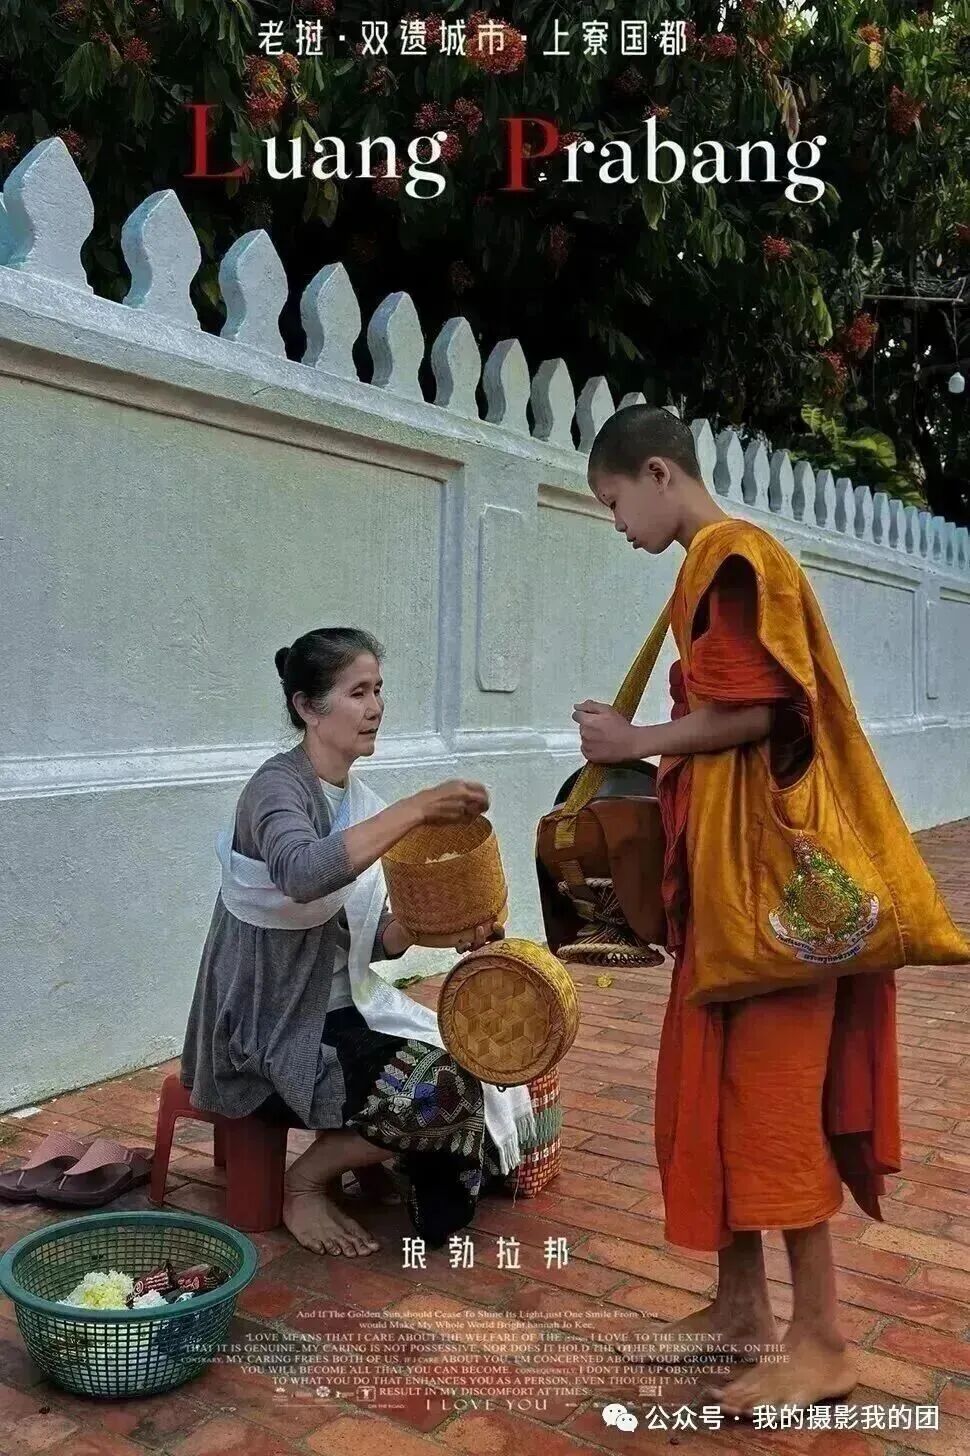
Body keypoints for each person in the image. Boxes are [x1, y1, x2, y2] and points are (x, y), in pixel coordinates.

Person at [571, 406, 967, 1415]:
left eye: (614, 502)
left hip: (773, 908)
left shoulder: (733, 557)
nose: (616, 524)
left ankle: (822, 1339)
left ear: (658, 474)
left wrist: (632, 740)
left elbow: (756, 712)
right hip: (729, 897)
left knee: (774, 1104)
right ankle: (741, 1307)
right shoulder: (709, 569)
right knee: (717, 1095)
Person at [180, 627, 535, 1259]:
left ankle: (382, 1162)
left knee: (475, 1065)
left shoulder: (357, 802)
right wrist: (417, 809)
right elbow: (302, 874)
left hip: (339, 1008)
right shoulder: (276, 789)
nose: (375, 707)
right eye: (358, 692)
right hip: (269, 1022)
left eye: (378, 690)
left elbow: (374, 940)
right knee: (438, 1088)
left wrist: (443, 930)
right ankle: (303, 1184)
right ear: (307, 707)